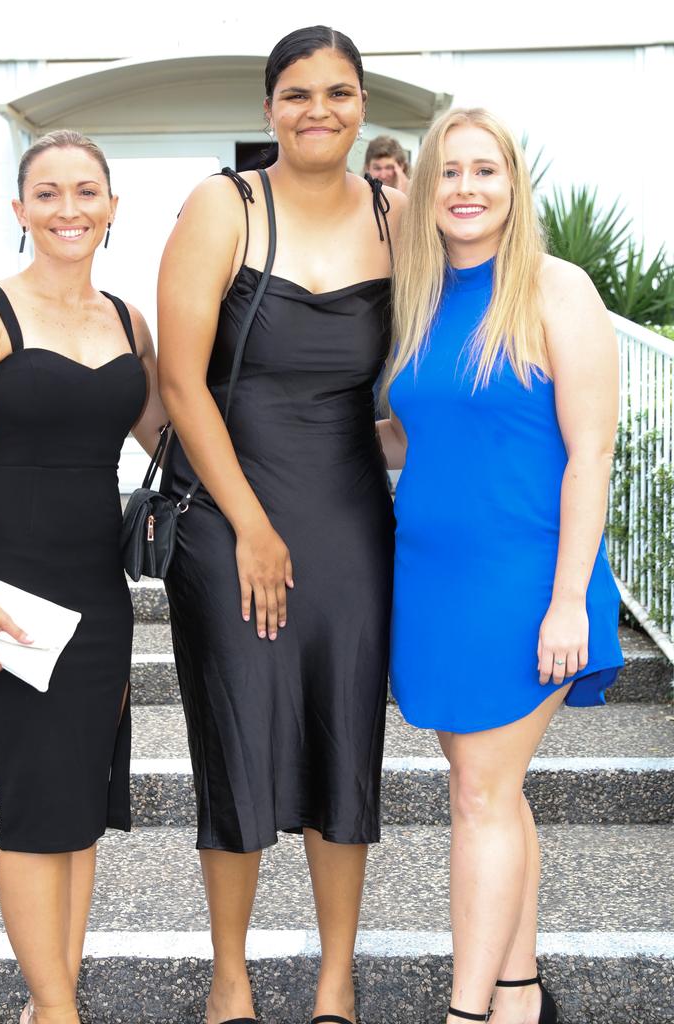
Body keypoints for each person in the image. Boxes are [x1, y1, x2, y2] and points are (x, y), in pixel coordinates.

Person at [156, 26, 404, 1024]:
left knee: (347, 741)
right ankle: (231, 978)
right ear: (269, 108)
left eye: (339, 92)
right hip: (229, 510)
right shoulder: (225, 205)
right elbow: (180, 380)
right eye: (298, 93)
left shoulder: (398, 215)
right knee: (239, 737)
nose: (319, 109)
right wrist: (251, 525)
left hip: (349, 511)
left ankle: (336, 983)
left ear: (361, 105)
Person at [378, 107, 623, 1024]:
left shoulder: (558, 291)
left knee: (479, 794)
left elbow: (591, 454)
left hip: (526, 583)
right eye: (450, 172)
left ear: (515, 184)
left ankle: (467, 1011)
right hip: (434, 579)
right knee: (491, 790)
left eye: (487, 170)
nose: (468, 187)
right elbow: (416, 433)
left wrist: (569, 600)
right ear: (425, 190)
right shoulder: (421, 297)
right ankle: (518, 993)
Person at [0, 130, 166, 1024]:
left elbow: (160, 438)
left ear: (112, 208)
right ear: (20, 208)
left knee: (77, 804)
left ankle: (50, 1001)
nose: (69, 209)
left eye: (86, 192)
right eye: (48, 193)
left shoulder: (127, 320)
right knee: (38, 804)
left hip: (100, 595)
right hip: (10, 592)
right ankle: (57, 1011)